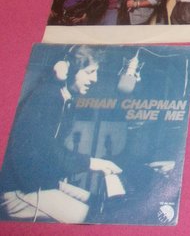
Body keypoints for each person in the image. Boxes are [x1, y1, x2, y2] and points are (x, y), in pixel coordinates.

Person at [0, 46, 122, 223]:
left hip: (40, 182)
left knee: (94, 201)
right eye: (90, 72)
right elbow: (44, 150)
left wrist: (94, 164)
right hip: (18, 190)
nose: (95, 79)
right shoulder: (46, 97)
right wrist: (92, 163)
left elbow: (50, 150)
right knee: (87, 217)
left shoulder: (62, 97)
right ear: (69, 69)